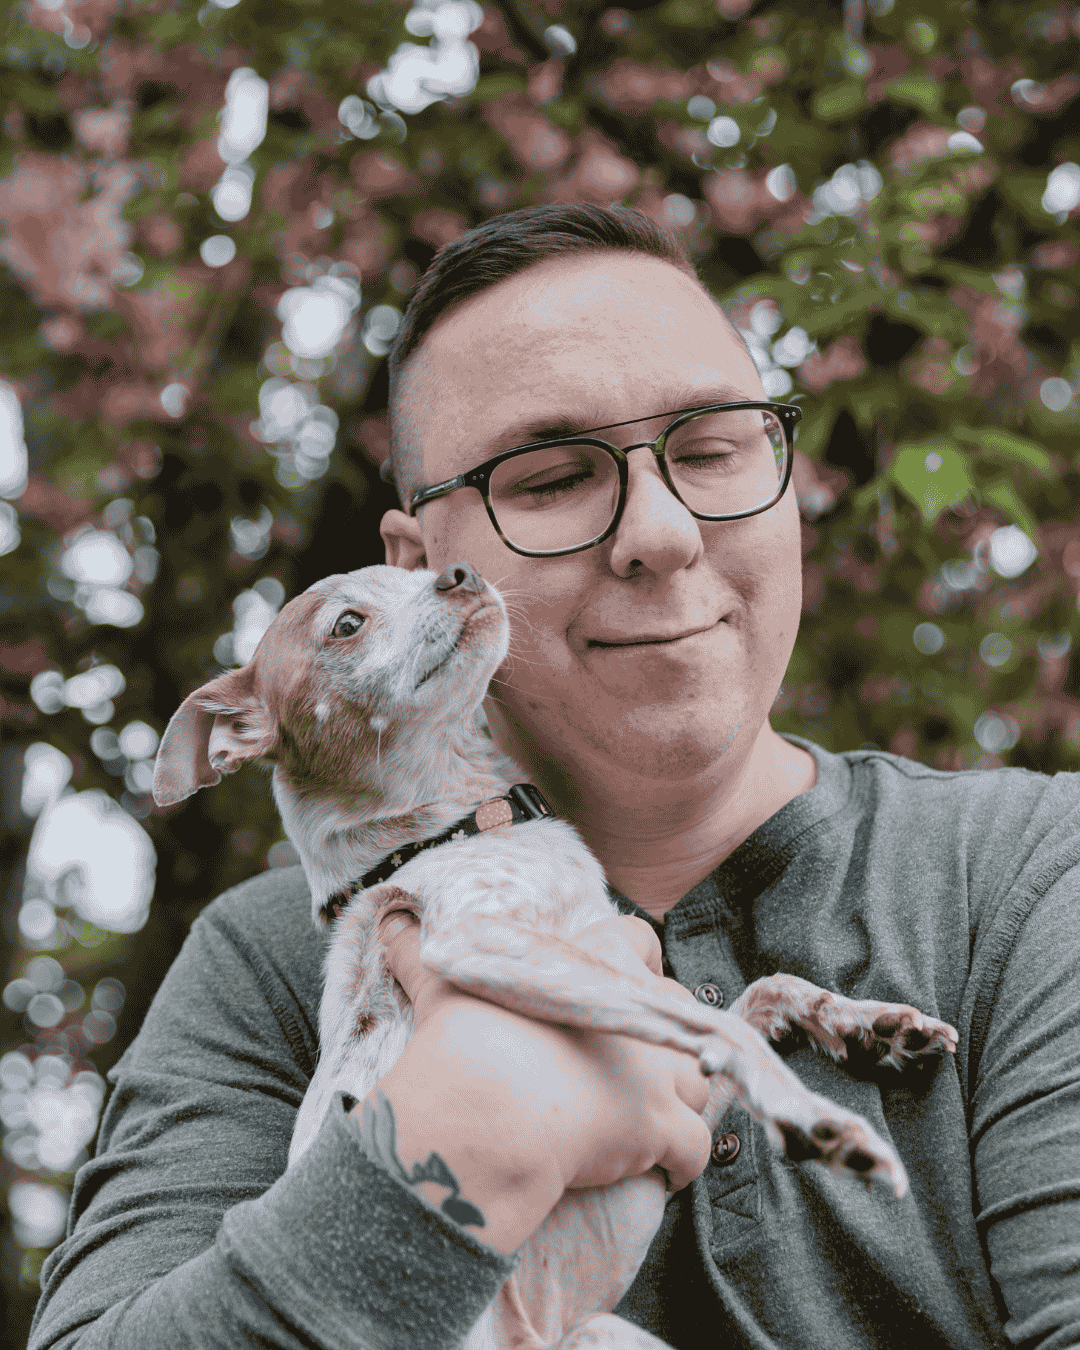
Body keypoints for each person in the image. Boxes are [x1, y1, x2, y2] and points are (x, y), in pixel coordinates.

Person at [29, 205, 1080, 1350]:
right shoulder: (279, 966)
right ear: (415, 571)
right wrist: (453, 1150)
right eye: (554, 478)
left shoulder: (1021, 882)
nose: (663, 533)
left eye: (714, 445)